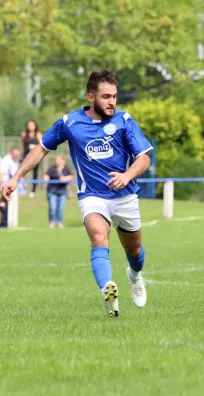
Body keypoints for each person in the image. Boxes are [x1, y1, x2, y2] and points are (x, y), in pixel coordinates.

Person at [2, 69, 153, 317]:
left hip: (125, 195)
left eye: (114, 96)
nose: (112, 102)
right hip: (92, 195)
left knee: (134, 251)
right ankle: (108, 290)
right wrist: (16, 177)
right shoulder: (70, 123)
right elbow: (41, 150)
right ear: (91, 97)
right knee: (98, 237)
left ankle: (135, 276)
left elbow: (144, 158)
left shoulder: (124, 121)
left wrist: (127, 176)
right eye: (106, 96)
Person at [43, 154, 74, 229]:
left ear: (63, 161)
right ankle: (51, 222)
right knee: (52, 208)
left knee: (60, 208)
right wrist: (46, 178)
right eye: (56, 160)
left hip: (62, 191)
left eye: (59, 159)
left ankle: (59, 222)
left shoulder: (66, 169)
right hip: (52, 191)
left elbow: (71, 176)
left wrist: (65, 178)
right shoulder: (51, 168)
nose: (57, 161)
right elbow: (46, 175)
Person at [0, 148, 21, 227]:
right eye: (16, 155)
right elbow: (1, 173)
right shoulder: (6, 160)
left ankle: (10, 223)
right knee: (5, 204)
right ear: (12, 153)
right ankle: (6, 223)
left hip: (12, 186)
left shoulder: (14, 161)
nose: (18, 156)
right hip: (5, 185)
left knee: (9, 204)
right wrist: (1, 185)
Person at [21, 120, 42, 197]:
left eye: (32, 124)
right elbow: (23, 145)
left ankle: (33, 190)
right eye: (29, 124)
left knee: (35, 173)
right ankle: (23, 185)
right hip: (26, 155)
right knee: (22, 170)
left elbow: (41, 145)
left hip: (35, 156)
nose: (30, 126)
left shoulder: (38, 134)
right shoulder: (24, 134)